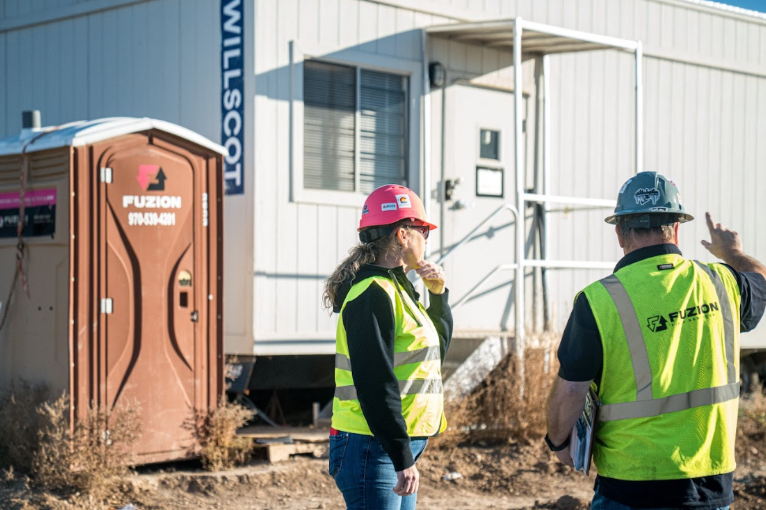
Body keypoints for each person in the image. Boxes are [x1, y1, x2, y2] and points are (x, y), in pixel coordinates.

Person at [545, 172, 766, 510]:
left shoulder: (598, 300)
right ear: (676, 228)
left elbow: (571, 391)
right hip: (710, 484)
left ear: (620, 233)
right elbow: (760, 279)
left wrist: (559, 442)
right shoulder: (723, 282)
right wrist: (732, 252)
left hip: (631, 486)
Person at [322, 184, 453, 510]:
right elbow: (375, 383)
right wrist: (399, 454)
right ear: (403, 235)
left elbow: (433, 356)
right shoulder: (372, 294)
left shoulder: (399, 289)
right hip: (372, 446)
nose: (427, 238)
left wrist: (438, 296)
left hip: (390, 445)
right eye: (423, 230)